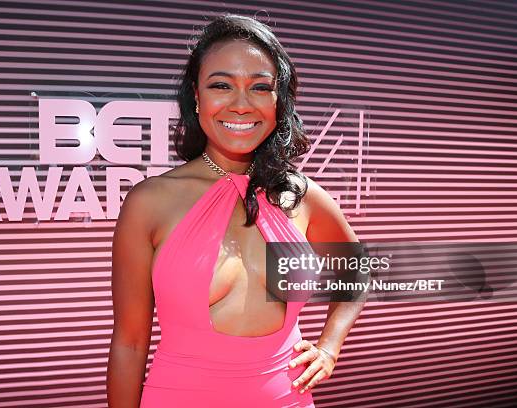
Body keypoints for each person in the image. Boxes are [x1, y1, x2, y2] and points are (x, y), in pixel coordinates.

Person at [107, 14, 363, 408]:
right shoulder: (150, 202)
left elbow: (356, 267)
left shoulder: (300, 194)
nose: (241, 105)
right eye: (221, 85)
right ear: (196, 95)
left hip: (288, 399)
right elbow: (130, 342)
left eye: (260, 87)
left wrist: (329, 346)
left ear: (279, 100)